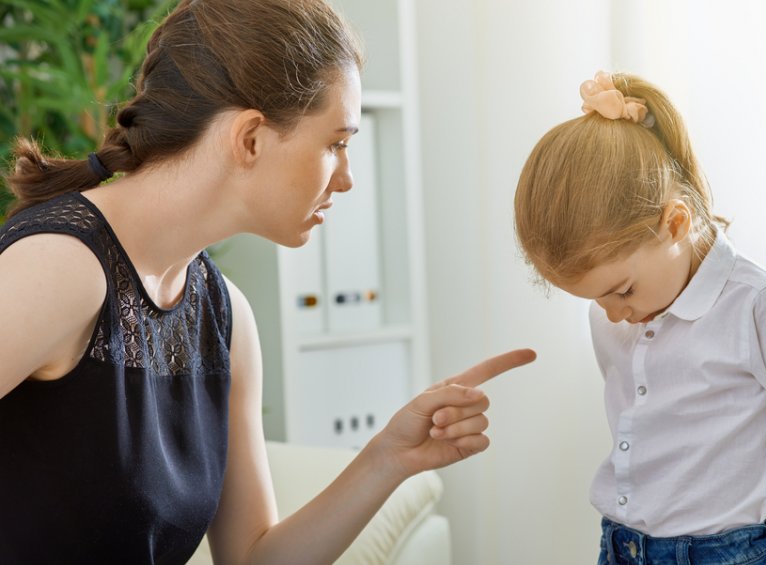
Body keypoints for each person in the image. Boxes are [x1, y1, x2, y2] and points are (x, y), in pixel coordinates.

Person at [0, 0, 536, 563]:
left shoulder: (224, 316)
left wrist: (388, 457)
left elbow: (253, 558)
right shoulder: (61, 266)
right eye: (335, 143)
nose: (347, 178)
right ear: (251, 138)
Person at [513, 71, 766, 565]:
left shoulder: (764, 307)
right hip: (621, 547)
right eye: (594, 299)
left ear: (675, 223)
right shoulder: (614, 317)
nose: (613, 315)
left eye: (621, 291)